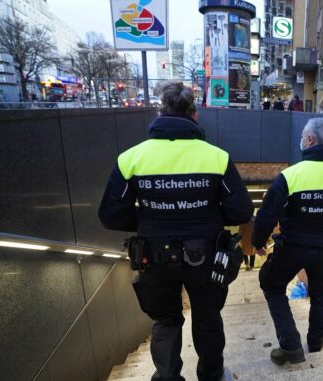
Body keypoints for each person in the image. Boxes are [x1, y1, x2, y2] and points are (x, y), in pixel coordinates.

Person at [98, 82, 253, 381]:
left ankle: (167, 377)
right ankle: (211, 375)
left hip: (153, 256)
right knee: (208, 318)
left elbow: (110, 214)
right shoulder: (216, 157)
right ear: (194, 114)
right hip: (206, 255)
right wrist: (206, 215)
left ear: (160, 111)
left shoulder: (131, 158)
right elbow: (241, 211)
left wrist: (149, 219)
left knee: (166, 319)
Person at [252, 117, 323, 365]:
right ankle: (315, 344)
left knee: (271, 285)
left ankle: (290, 345)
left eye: (302, 136)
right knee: (320, 295)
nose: (301, 139)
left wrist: (258, 242)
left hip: (292, 247)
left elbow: (267, 214)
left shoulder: (289, 176)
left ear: (310, 139)